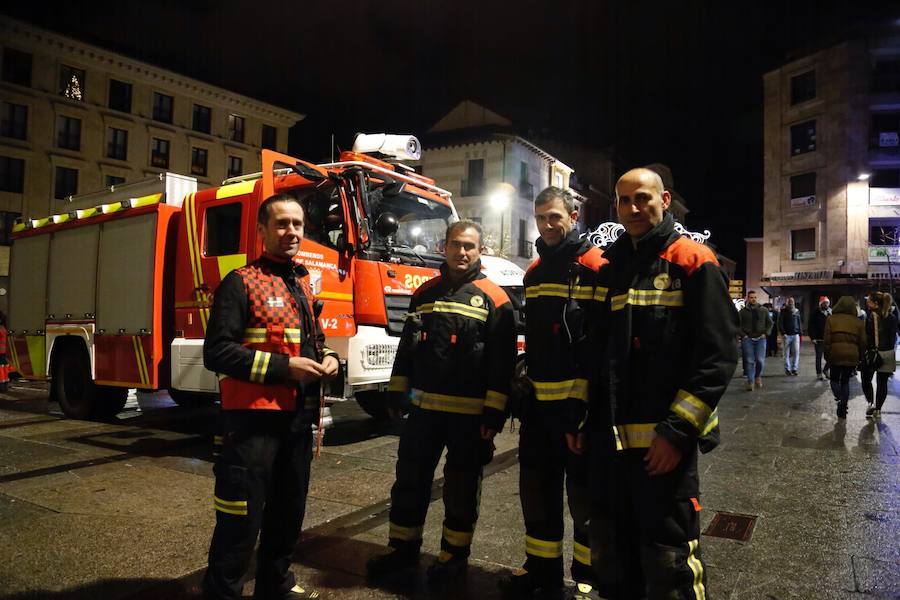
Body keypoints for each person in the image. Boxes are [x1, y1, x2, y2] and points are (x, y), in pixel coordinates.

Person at [588, 168, 738, 598]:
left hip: (664, 450)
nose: (632, 209)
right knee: (615, 563)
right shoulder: (612, 267)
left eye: (642, 199)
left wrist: (675, 434)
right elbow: (599, 353)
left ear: (665, 200)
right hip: (612, 449)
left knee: (670, 562)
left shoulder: (693, 261)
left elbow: (717, 358)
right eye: (623, 200)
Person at [201, 193, 340, 600]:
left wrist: (329, 358)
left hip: (297, 421)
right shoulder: (241, 281)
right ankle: (222, 592)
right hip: (252, 424)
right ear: (261, 231)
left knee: (287, 512)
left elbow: (313, 342)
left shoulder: (301, 283)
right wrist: (284, 369)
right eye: (281, 224)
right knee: (240, 520)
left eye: (297, 224)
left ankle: (275, 586)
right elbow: (217, 352)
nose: (291, 232)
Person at [366, 220, 516, 585]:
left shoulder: (495, 299)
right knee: (409, 481)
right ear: (444, 246)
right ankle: (401, 549)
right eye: (455, 245)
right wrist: (397, 394)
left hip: (469, 418)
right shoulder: (426, 294)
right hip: (423, 413)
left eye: (469, 246)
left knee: (461, 489)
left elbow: (502, 365)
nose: (461, 252)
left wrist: (494, 415)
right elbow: (408, 348)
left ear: (480, 251)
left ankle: (453, 557)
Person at [498, 187, 605, 600]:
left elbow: (598, 343)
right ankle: (540, 571)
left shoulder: (596, 266)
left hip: (578, 410)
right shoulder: (535, 272)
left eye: (555, 216)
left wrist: (585, 408)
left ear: (574, 216)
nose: (547, 224)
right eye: (541, 217)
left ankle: (588, 576)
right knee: (537, 495)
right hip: (539, 411)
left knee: (584, 501)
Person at [823, 296, 866, 420]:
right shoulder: (858, 322)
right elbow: (863, 342)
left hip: (835, 354)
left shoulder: (831, 319)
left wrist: (827, 354)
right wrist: (860, 356)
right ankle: (844, 403)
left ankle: (840, 400)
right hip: (852, 356)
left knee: (834, 380)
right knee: (845, 381)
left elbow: (827, 340)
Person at [861, 292, 898, 419]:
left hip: (873, 353)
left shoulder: (872, 316)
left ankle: (870, 403)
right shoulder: (892, 317)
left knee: (866, 380)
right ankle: (878, 410)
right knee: (882, 383)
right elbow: (893, 337)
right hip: (887, 353)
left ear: (876, 303)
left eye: (869, 300)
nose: (867, 302)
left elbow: (866, 336)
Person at [738, 290, 773, 391]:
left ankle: (757, 376)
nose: (753, 299)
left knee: (760, 360)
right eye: (751, 297)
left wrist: (766, 333)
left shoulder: (764, 310)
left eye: (755, 297)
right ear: (748, 298)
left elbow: (770, 323)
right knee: (749, 361)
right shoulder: (743, 312)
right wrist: (743, 335)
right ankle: (750, 381)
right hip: (747, 339)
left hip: (760, 339)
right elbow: (737, 325)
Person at [808, 297, 832, 380]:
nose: (826, 305)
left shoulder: (830, 313)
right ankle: (819, 373)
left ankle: (825, 370)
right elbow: (811, 326)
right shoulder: (815, 313)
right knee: (818, 357)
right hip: (819, 339)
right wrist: (813, 337)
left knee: (830, 357)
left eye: (827, 303)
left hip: (829, 339)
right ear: (821, 304)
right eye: (824, 303)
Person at [778, 297, 802, 376]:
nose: (791, 303)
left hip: (795, 335)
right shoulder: (783, 311)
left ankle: (794, 369)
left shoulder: (797, 311)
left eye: (792, 301)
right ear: (787, 302)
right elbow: (780, 323)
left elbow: (799, 322)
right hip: (786, 335)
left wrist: (800, 332)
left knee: (796, 352)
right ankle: (787, 369)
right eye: (789, 301)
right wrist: (783, 333)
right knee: (786, 353)